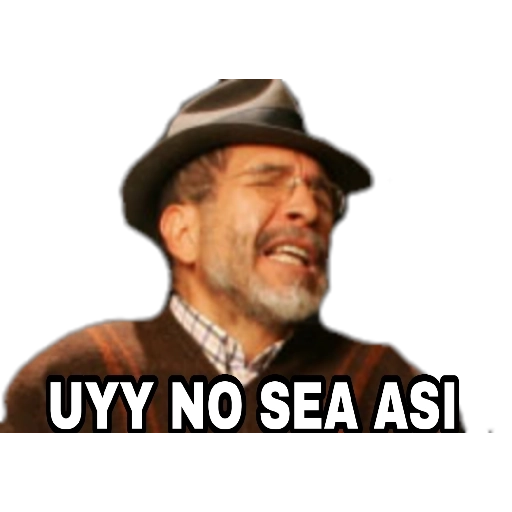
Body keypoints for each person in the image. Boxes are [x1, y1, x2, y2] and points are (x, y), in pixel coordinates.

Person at [0, 78, 422, 436]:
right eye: (268, 181)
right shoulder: (75, 382)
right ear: (184, 233)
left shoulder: (387, 386)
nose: (309, 210)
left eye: (323, 194)